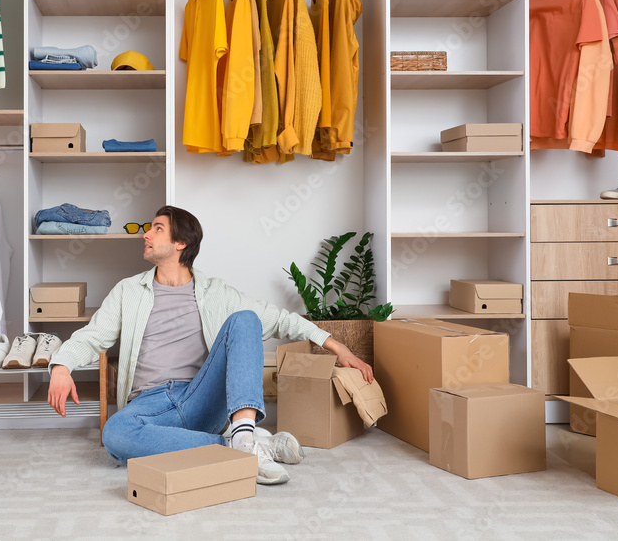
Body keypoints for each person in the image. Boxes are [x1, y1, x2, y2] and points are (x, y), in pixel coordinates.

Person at [47, 205, 374, 484]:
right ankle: (242, 444)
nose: (146, 234)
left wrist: (338, 347)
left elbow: (279, 319)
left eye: (157, 229)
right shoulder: (127, 291)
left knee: (247, 318)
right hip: (151, 404)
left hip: (201, 396)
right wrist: (61, 367)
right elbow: (92, 335)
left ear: (180, 242)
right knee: (115, 436)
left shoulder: (217, 293)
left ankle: (242, 431)